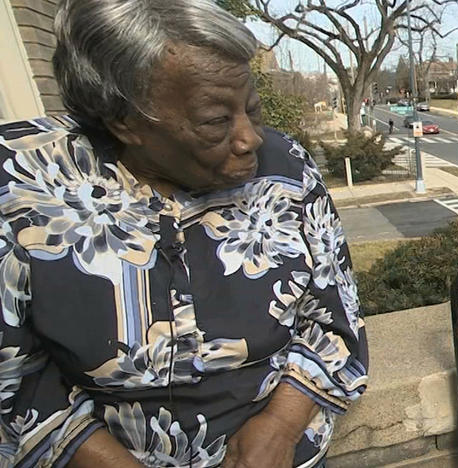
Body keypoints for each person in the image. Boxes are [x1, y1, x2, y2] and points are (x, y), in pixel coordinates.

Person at [0, 1, 368, 467]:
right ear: (124, 120)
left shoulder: (286, 166)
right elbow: (17, 379)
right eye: (216, 121)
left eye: (251, 108)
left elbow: (334, 320)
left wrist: (279, 425)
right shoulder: (21, 184)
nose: (249, 137)